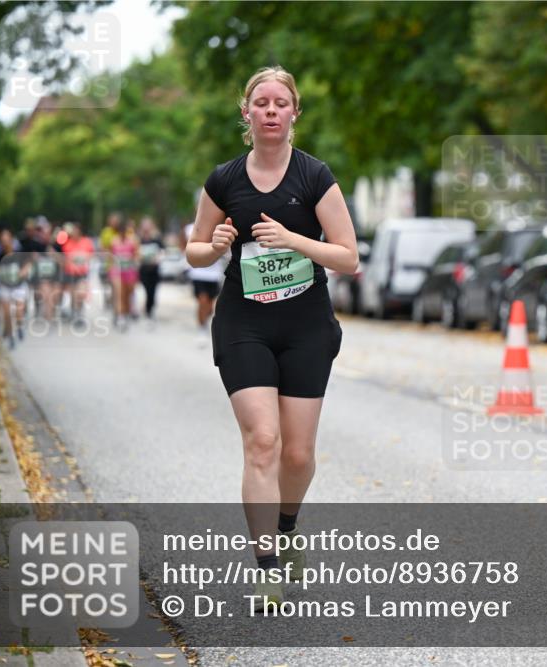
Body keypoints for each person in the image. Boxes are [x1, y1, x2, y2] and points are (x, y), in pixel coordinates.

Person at [185, 66, 358, 610]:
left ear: (294, 113)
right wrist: (213, 246)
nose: (271, 110)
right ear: (246, 113)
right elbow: (193, 249)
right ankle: (267, 569)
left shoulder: (314, 177)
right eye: (261, 102)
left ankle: (286, 527)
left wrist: (292, 238)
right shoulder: (225, 180)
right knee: (263, 441)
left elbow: (348, 257)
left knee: (299, 454)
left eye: (281, 103)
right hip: (245, 323)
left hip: (306, 324)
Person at [184, 217, 225, 346]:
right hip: (198, 273)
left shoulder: (220, 227)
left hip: (214, 275)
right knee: (202, 301)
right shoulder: (190, 228)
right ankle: (201, 329)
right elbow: (186, 246)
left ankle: (204, 321)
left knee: (210, 306)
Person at [0, 229, 29, 347]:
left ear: (11, 240)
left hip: (18, 285)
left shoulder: (19, 253)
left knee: (18, 311)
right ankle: (10, 337)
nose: (5, 243)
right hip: (5, 286)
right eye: (2, 240)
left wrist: (23, 272)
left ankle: (19, 325)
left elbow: (28, 264)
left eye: (7, 240)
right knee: (7, 313)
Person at [61, 223, 95, 322]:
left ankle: (79, 314)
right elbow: (66, 258)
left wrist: (83, 259)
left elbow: (90, 255)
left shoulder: (87, 242)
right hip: (70, 273)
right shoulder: (67, 243)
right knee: (73, 295)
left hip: (82, 273)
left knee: (80, 294)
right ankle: (74, 313)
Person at [109, 220, 140, 332]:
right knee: (119, 293)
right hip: (117, 271)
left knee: (127, 294)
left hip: (129, 271)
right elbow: (111, 255)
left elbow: (136, 254)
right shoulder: (114, 241)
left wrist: (132, 260)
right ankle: (120, 316)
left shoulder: (132, 241)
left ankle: (126, 313)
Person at [138, 217, 164, 325]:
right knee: (147, 291)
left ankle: (150, 310)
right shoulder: (139, 239)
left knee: (153, 292)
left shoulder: (156, 239)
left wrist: (157, 259)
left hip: (154, 271)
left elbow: (162, 251)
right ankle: (148, 310)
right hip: (144, 270)